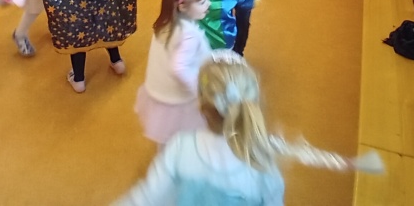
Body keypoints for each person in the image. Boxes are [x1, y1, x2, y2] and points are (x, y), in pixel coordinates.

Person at [115, 53, 383, 206]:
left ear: (201, 107)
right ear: (253, 105)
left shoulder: (179, 147)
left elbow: (147, 196)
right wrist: (345, 162)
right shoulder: (262, 161)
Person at [135, 0, 212, 146]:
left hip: (160, 91)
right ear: (182, 6)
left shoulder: (165, 23)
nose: (208, 4)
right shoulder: (189, 35)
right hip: (179, 97)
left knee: (167, 135)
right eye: (202, 2)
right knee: (185, 136)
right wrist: (199, 91)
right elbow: (179, 68)